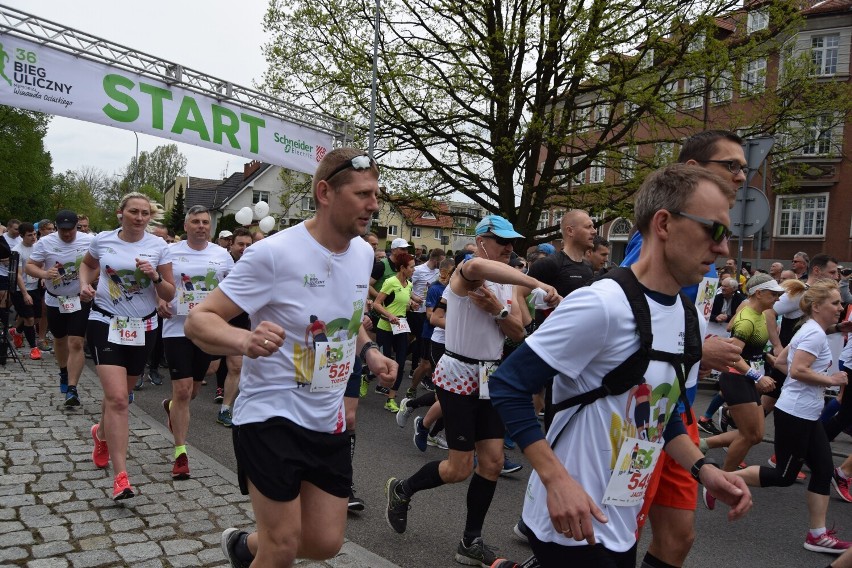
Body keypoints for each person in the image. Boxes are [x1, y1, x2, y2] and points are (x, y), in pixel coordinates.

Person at [490, 164, 752, 567]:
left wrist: (703, 469)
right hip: (569, 521)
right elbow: (508, 385)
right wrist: (556, 480)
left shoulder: (688, 317)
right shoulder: (601, 304)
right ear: (664, 223)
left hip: (622, 519)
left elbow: (660, 416)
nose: (724, 249)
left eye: (727, 235)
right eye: (714, 230)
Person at [185, 148, 397, 568]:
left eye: (376, 195)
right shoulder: (273, 254)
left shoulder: (363, 254)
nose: (374, 205)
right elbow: (199, 321)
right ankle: (262, 548)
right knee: (282, 544)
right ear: (324, 192)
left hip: (326, 416)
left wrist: (369, 350)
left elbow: (344, 317)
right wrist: (243, 340)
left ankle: (243, 547)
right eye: (363, 195)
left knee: (324, 543)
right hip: (271, 414)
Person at [384, 214, 559, 567]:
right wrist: (536, 280)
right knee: (459, 468)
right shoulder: (468, 269)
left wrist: (497, 309)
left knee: (492, 463)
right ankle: (403, 489)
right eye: (501, 240)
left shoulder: (507, 285)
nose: (509, 247)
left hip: (491, 376)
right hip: (458, 372)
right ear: (481, 242)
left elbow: (519, 332)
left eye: (512, 242)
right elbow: (479, 268)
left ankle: (470, 541)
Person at [618, 129, 748, 568]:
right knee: (617, 531)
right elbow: (627, 323)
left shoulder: (712, 238)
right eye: (730, 165)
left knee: (678, 539)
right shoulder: (663, 235)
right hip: (645, 408)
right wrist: (697, 352)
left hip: (680, 408)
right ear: (692, 171)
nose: (742, 175)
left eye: (745, 166)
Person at [717, 279, 850, 555]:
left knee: (824, 470)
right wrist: (831, 379)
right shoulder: (813, 334)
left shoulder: (809, 328)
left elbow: (780, 362)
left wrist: (838, 328)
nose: (841, 307)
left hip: (804, 412)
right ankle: (720, 480)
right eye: (835, 303)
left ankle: (817, 535)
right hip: (797, 413)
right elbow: (798, 370)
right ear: (817, 306)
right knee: (784, 475)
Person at [79, 193, 176, 500]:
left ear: (150, 217)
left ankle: (101, 433)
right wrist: (85, 284)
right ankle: (121, 477)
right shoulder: (103, 240)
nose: (138, 216)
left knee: (123, 395)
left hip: (142, 327)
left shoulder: (160, 247)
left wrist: (156, 276)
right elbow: (87, 264)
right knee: (119, 399)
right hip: (105, 321)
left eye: (144, 213)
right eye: (133, 211)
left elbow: (170, 292)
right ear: (120, 213)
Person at [158, 205, 233, 480]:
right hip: (177, 328)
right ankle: (180, 454)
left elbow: (231, 289)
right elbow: (161, 286)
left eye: (205, 222)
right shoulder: (170, 252)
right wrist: (160, 302)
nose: (201, 226)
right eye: (196, 222)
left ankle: (172, 408)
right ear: (186, 226)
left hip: (207, 329)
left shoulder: (222, 255)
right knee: (182, 390)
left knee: (193, 391)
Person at [699, 274, 783, 476]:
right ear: (759, 293)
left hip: (746, 379)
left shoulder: (761, 315)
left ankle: (702, 444)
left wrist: (766, 358)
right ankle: (724, 478)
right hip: (736, 378)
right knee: (748, 435)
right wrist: (758, 376)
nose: (778, 299)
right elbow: (734, 357)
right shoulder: (746, 319)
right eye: (774, 294)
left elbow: (750, 349)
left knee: (757, 436)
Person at [27, 212, 95, 404]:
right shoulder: (45, 242)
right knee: (59, 339)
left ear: (77, 227)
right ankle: (64, 372)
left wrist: (88, 281)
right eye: (63, 230)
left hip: (79, 298)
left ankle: (72, 388)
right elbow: (29, 266)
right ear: (57, 227)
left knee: (76, 342)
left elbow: (97, 263)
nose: (67, 234)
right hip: (55, 299)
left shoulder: (89, 240)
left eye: (71, 230)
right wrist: (44, 273)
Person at [371, 252, 415, 412]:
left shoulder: (409, 284)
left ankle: (390, 399)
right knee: (384, 364)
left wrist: (411, 305)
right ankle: (366, 375)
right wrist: (389, 315)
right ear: (402, 268)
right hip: (385, 328)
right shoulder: (390, 282)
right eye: (411, 267)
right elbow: (377, 304)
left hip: (401, 327)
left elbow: (403, 303)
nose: (414, 270)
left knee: (400, 363)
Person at [11, 223, 42, 360]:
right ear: (22, 236)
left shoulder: (38, 247)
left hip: (35, 286)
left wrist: (42, 276)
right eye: (29, 235)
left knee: (36, 318)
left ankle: (17, 331)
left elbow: (42, 262)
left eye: (34, 234)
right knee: (29, 319)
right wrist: (24, 293)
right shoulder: (17, 250)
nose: (33, 237)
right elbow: (18, 274)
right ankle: (33, 348)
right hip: (21, 289)